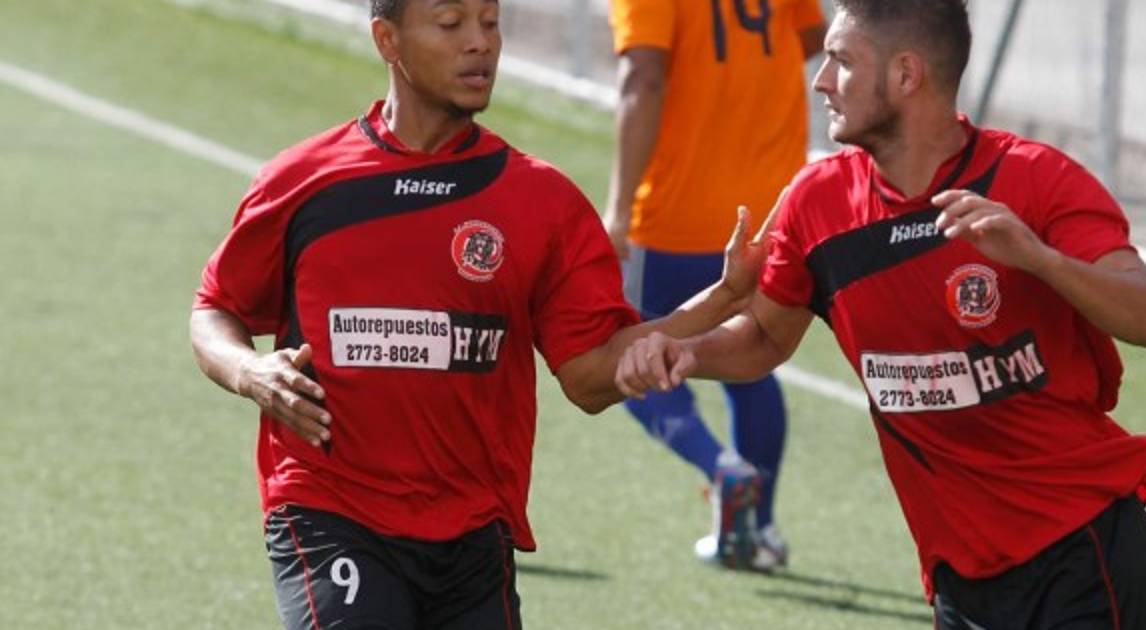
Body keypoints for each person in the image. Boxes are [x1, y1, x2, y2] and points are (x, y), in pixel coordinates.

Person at [188, 1, 777, 628]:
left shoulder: (542, 202)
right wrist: (250, 371)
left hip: (473, 533)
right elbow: (215, 309)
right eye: (451, 24)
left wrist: (723, 297)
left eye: (491, 23)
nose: (481, 44)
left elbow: (590, 376)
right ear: (387, 40)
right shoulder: (302, 181)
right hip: (331, 510)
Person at [616, 0, 1146, 626]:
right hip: (959, 575)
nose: (821, 80)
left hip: (1080, 551)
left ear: (906, 74)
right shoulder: (818, 202)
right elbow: (764, 338)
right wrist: (686, 351)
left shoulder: (1033, 179)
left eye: (842, 61)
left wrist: (1040, 259)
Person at [605, 0, 826, 570]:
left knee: (626, 356)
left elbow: (644, 76)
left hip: (679, 211)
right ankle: (759, 531)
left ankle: (721, 467)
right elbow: (810, 39)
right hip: (772, 207)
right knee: (754, 356)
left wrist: (619, 209)